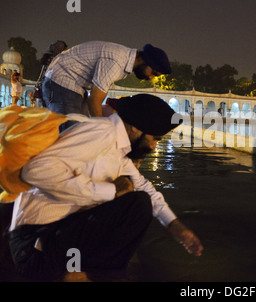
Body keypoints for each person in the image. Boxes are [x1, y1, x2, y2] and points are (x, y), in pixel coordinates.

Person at [7, 94, 203, 282]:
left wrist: (175, 226)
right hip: (34, 246)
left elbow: (144, 186)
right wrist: (109, 191)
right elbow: (35, 171)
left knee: (138, 199)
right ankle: (82, 273)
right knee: (136, 205)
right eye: (155, 138)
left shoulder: (117, 148)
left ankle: (84, 270)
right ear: (135, 128)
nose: (153, 147)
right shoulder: (101, 133)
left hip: (56, 236)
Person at [41, 41, 171, 131]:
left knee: (81, 131)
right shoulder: (117, 63)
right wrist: (103, 130)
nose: (151, 77)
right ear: (144, 60)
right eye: (153, 72)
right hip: (62, 81)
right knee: (71, 134)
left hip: (72, 85)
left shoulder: (123, 59)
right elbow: (95, 100)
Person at [32, 40, 68, 107]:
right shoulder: (60, 58)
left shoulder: (47, 59)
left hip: (46, 86)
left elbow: (42, 74)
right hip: (55, 87)